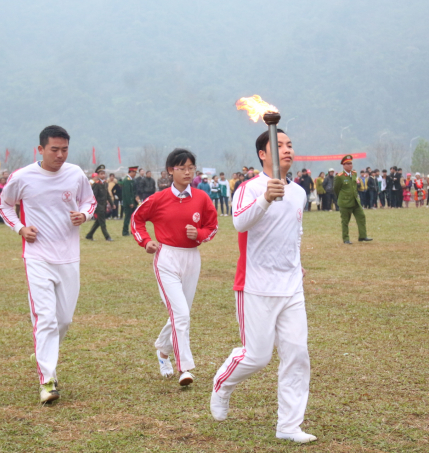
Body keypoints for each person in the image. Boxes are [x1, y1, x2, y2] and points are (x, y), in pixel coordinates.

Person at [211, 128, 316, 444]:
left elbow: (295, 233)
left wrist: (297, 264)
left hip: (291, 286)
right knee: (257, 357)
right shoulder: (250, 188)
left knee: (297, 354)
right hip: (255, 285)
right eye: (279, 144)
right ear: (262, 153)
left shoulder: (297, 192)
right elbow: (239, 222)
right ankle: (222, 384)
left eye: (289, 145)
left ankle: (288, 426)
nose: (287, 149)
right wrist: (266, 198)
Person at [0, 125, 96, 404]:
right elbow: (4, 205)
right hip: (37, 257)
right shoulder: (23, 177)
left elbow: (90, 201)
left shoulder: (75, 173)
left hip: (69, 257)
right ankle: (48, 381)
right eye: (54, 149)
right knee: (46, 318)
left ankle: (43, 352)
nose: (60, 155)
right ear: (40, 150)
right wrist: (19, 228)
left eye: (65, 149)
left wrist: (84, 215)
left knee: (64, 320)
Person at [132, 148, 218, 387]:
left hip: (192, 258)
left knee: (182, 314)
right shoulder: (158, 199)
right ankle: (185, 368)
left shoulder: (202, 198)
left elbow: (213, 226)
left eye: (192, 168)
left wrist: (199, 234)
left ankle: (162, 349)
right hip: (166, 258)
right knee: (180, 314)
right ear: (171, 170)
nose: (188, 172)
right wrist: (145, 241)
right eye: (183, 168)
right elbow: (136, 219)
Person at [334, 155, 372, 244]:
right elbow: (336, 189)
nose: (350, 165)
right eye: (347, 164)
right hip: (345, 202)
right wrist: (341, 198)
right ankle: (346, 239)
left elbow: (355, 186)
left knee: (361, 217)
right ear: (343, 165)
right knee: (345, 221)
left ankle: (362, 236)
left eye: (351, 163)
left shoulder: (354, 173)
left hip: (355, 201)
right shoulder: (339, 176)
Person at [85, 165, 113, 241]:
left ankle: (89, 235)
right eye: (101, 173)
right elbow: (93, 196)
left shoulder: (105, 183)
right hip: (98, 206)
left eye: (104, 173)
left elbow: (107, 195)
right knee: (102, 222)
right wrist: (94, 206)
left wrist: (112, 204)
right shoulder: (96, 184)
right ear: (98, 175)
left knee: (98, 222)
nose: (103, 175)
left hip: (103, 205)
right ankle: (107, 237)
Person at [121, 166, 139, 236]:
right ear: (131, 172)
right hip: (128, 203)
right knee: (127, 217)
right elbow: (127, 193)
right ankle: (125, 232)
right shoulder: (127, 180)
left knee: (133, 217)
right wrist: (130, 203)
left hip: (133, 201)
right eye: (134, 172)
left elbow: (133, 192)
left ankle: (133, 230)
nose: (135, 174)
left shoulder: (131, 180)